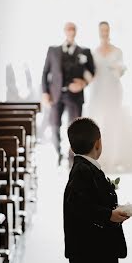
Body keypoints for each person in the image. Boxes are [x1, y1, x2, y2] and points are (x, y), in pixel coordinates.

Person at [64, 118, 129, 263]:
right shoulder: (82, 170)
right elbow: (79, 206)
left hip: (94, 247)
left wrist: (112, 210)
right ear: (99, 143)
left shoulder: (86, 168)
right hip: (92, 248)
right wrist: (109, 214)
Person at [86, 21, 132, 173]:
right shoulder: (93, 52)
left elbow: (121, 70)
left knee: (115, 119)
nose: (104, 33)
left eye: (106, 30)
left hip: (113, 89)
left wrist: (119, 70)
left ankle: (116, 155)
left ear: (109, 31)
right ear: (98, 31)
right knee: (99, 120)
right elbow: (90, 73)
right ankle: (97, 156)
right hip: (98, 90)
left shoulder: (118, 51)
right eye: (102, 30)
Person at [42, 22, 95, 164]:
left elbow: (92, 72)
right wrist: (45, 93)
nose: (71, 32)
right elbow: (45, 73)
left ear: (76, 31)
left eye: (73, 29)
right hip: (56, 95)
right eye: (68, 29)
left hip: (75, 96)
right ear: (64, 31)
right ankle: (57, 152)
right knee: (54, 125)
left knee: (75, 128)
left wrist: (83, 83)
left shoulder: (84, 51)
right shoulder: (53, 50)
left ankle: (72, 156)